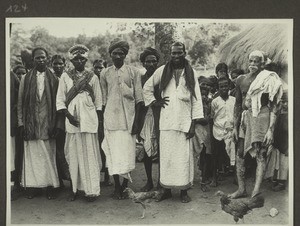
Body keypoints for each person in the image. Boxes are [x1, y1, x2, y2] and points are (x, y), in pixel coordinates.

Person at [143, 42, 205, 203]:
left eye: (179, 53)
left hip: (184, 123)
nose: (176, 56)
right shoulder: (162, 70)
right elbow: (147, 88)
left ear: (185, 53)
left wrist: (193, 124)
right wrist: (155, 102)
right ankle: (167, 190)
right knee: (167, 158)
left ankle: (184, 191)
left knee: (184, 158)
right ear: (170, 54)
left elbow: (196, 100)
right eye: (173, 53)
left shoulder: (191, 72)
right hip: (167, 121)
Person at [230, 50, 283, 198]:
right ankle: (241, 189)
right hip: (245, 119)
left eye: (256, 61)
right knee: (240, 153)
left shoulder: (268, 79)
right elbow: (238, 105)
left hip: (262, 117)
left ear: (262, 63)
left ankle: (256, 190)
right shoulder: (240, 80)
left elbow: (274, 106)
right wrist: (235, 127)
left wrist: (270, 130)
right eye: (251, 61)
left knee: (260, 154)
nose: (253, 64)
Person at [56, 44, 103, 202]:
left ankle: (91, 190)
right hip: (72, 121)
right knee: (74, 155)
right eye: (76, 59)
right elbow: (60, 100)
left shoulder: (93, 77)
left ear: (86, 59)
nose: (79, 61)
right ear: (71, 60)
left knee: (89, 154)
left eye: (82, 59)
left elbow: (99, 102)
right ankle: (75, 189)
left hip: (89, 121)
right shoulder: (65, 76)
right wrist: (68, 116)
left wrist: (97, 120)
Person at [100, 39, 143, 199]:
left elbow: (139, 99)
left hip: (129, 121)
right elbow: (103, 100)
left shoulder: (134, 72)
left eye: (121, 53)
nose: (118, 56)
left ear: (125, 55)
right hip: (111, 120)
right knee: (113, 154)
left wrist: (137, 122)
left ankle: (125, 186)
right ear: (110, 54)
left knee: (127, 153)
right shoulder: (104, 73)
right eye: (115, 53)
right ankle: (117, 186)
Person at [17, 47, 60, 199]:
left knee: (48, 154)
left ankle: (49, 186)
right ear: (33, 60)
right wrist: (21, 124)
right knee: (33, 155)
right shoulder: (26, 78)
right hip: (31, 123)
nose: (40, 60)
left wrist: (56, 125)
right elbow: (21, 102)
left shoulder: (54, 79)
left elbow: (59, 103)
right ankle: (34, 187)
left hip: (48, 123)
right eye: (37, 58)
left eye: (43, 57)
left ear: (47, 58)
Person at [138, 47, 161, 192]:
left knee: (161, 149)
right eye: (148, 62)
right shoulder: (140, 80)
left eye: (153, 61)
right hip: (145, 116)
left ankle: (161, 182)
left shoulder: (162, 78)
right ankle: (149, 181)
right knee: (146, 150)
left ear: (157, 63)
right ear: (143, 64)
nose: (151, 64)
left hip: (160, 117)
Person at [210, 76, 236, 187]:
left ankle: (236, 177)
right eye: (221, 86)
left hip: (230, 131)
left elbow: (236, 115)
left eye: (226, 86)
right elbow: (212, 116)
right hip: (218, 131)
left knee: (233, 154)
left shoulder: (234, 100)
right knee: (216, 155)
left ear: (229, 86)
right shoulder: (215, 101)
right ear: (218, 88)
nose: (224, 88)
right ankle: (214, 178)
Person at [51, 55, 70, 189]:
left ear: (64, 64)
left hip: (66, 118)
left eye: (60, 64)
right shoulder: (50, 79)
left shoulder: (68, 78)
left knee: (67, 150)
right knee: (57, 151)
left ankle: (71, 179)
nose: (58, 66)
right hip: (53, 119)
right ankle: (60, 181)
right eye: (55, 64)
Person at [92, 59, 111, 186]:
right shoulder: (91, 80)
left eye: (100, 68)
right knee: (95, 147)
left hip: (105, 117)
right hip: (93, 117)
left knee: (105, 147)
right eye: (96, 68)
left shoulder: (106, 81)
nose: (98, 70)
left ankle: (107, 177)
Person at [192, 76, 213, 189]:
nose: (206, 87)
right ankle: (189, 180)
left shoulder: (210, 100)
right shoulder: (194, 99)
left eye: (208, 85)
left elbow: (211, 116)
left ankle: (203, 181)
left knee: (205, 155)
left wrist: (207, 119)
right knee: (191, 155)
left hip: (206, 130)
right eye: (203, 84)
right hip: (194, 129)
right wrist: (200, 120)